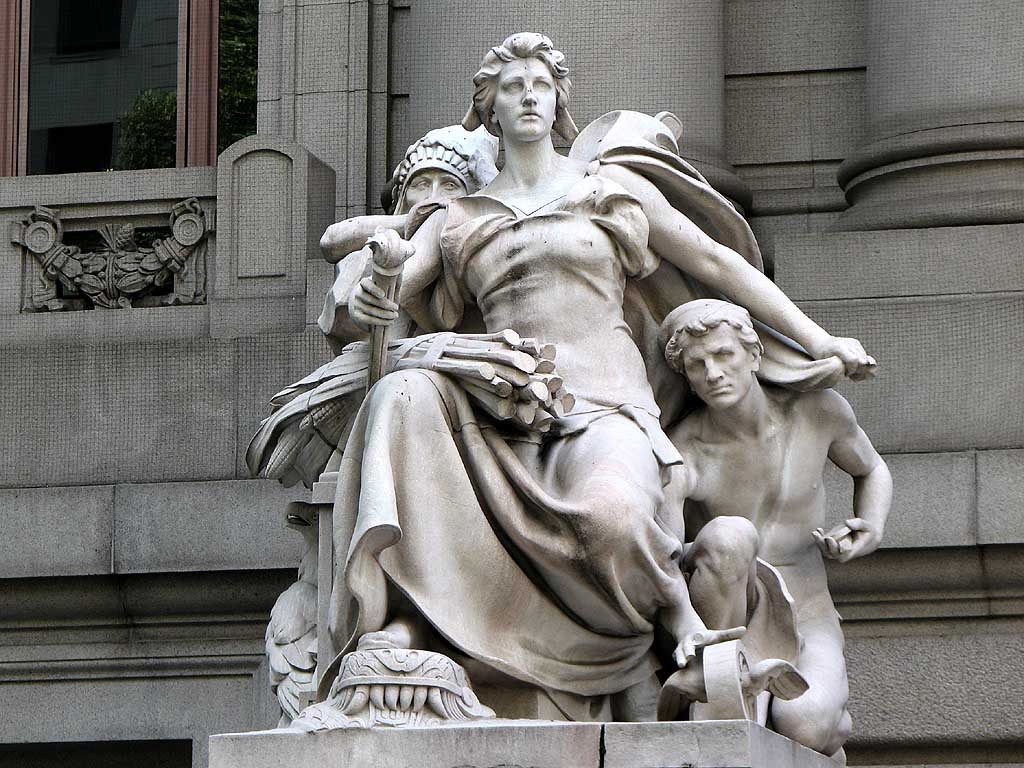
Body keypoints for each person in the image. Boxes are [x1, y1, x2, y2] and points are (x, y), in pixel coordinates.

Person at [258, 32, 877, 722]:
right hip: (501, 413)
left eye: (541, 86)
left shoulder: (608, 189)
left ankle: (669, 631)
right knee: (402, 392)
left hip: (606, 406)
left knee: (613, 518)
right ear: (489, 110)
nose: (528, 97)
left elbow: (715, 262)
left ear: (559, 104)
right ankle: (404, 622)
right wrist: (372, 290)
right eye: (512, 87)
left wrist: (818, 339)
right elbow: (382, 298)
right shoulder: (459, 217)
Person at [660, 299, 892, 755]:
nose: (713, 374)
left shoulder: (818, 412)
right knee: (730, 535)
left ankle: (819, 712)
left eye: (723, 355)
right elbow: (664, 556)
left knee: (806, 726)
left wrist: (872, 524)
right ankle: (726, 677)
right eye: (697, 365)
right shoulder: (683, 452)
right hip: (732, 614)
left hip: (809, 611)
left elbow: (871, 469)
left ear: (753, 354)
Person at [317, 124, 498, 349]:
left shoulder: (485, 243)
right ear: (404, 195)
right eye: (421, 184)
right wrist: (420, 217)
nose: (433, 196)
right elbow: (330, 241)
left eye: (450, 185)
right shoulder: (390, 241)